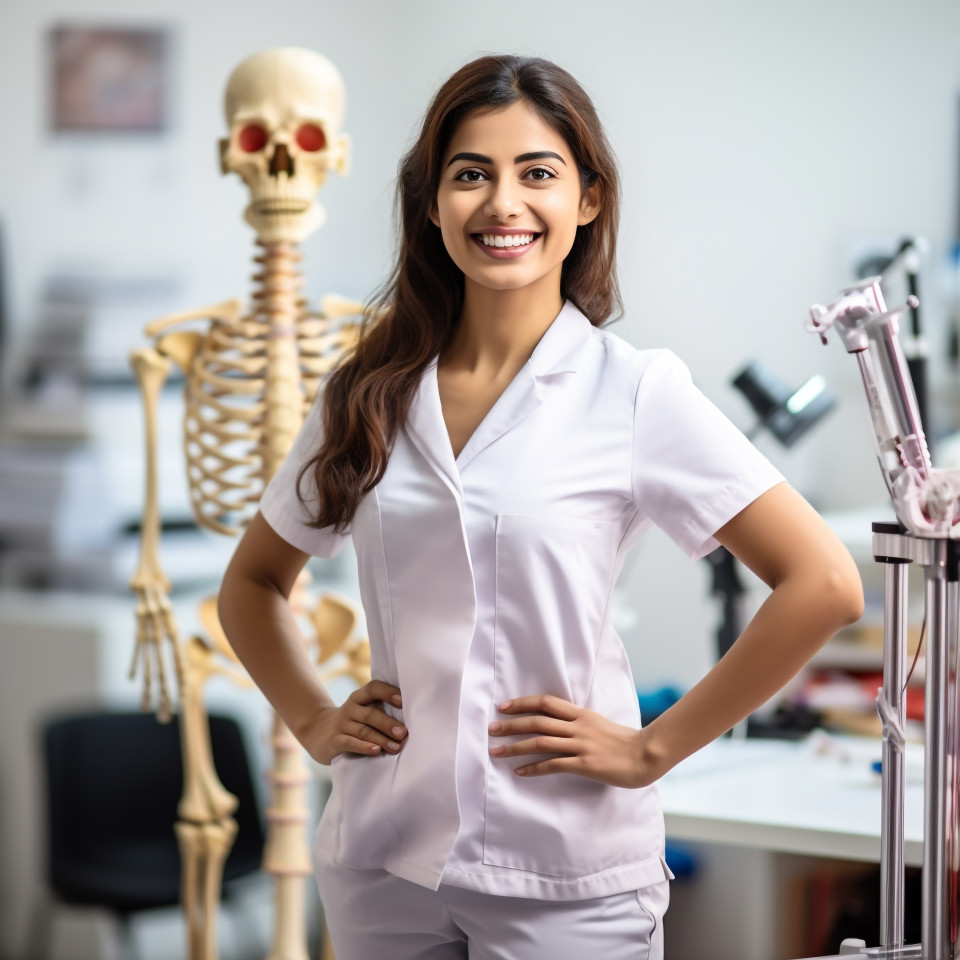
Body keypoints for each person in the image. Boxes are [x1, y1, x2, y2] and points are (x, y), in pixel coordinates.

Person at [218, 54, 863, 960]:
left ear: (587, 200)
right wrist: (316, 721)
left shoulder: (634, 391)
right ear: (433, 202)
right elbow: (251, 582)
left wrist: (652, 750)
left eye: (538, 173)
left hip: (564, 871)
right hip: (381, 861)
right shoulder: (365, 393)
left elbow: (825, 583)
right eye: (470, 173)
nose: (501, 203)